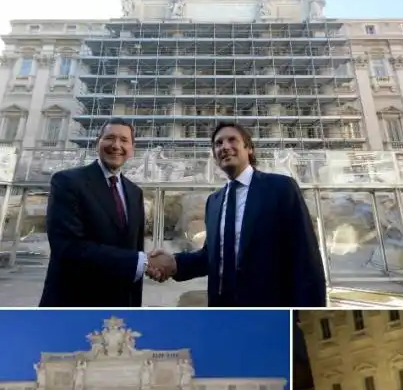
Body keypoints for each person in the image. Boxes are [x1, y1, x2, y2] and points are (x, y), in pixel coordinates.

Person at [148, 122, 326, 307]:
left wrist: (309, 311)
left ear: (248, 148)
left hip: (270, 311)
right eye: (218, 143)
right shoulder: (214, 202)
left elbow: (306, 257)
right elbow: (211, 256)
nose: (225, 147)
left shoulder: (280, 188)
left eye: (232, 140)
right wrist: (173, 263)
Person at [40, 118, 150, 307]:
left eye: (124, 140)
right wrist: (140, 261)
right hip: (74, 301)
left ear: (132, 148)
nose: (116, 146)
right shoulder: (67, 181)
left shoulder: (135, 192)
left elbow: (134, 247)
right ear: (97, 143)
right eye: (110, 138)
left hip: (119, 302)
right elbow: (67, 247)